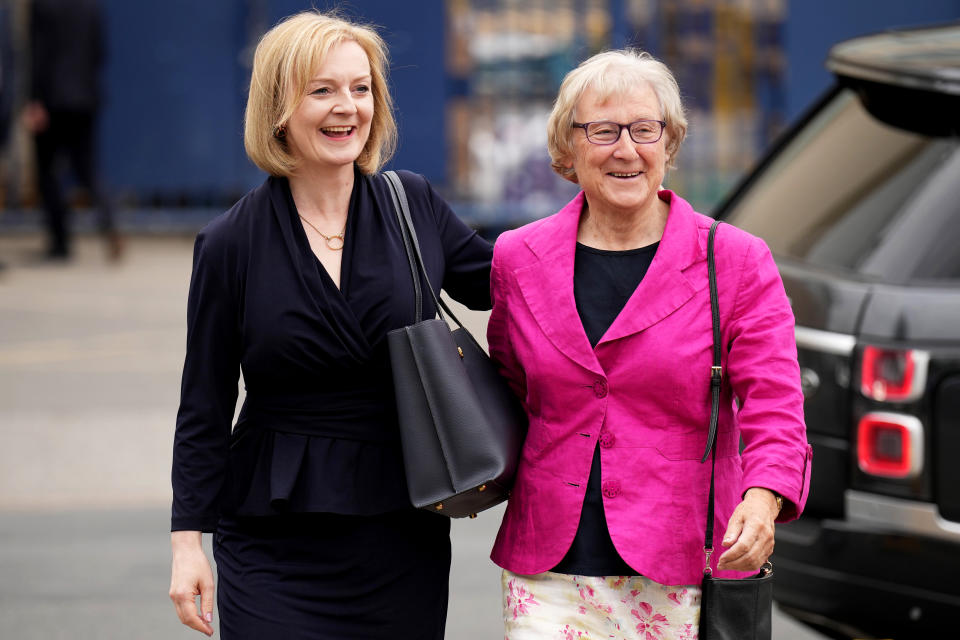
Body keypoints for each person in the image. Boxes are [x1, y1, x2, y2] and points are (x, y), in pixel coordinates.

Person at [168, 11, 492, 639]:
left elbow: (517, 283)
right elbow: (203, 405)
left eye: (361, 88)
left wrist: (619, 217)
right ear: (278, 108)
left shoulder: (412, 204)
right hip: (271, 535)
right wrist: (187, 544)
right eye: (322, 90)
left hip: (401, 525)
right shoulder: (230, 243)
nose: (348, 107)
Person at [486, 49, 812, 639]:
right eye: (603, 131)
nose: (626, 149)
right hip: (548, 567)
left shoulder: (734, 261)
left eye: (644, 129)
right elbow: (509, 389)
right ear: (568, 149)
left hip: (684, 564)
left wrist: (763, 501)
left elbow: (776, 406)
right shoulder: (517, 257)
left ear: (670, 142)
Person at [25, 0, 121, 261]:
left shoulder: (43, 5)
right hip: (84, 98)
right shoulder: (91, 6)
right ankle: (109, 223)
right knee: (87, 169)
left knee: (47, 171)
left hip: (51, 99)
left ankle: (60, 241)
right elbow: (99, 51)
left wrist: (34, 99)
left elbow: (38, 52)